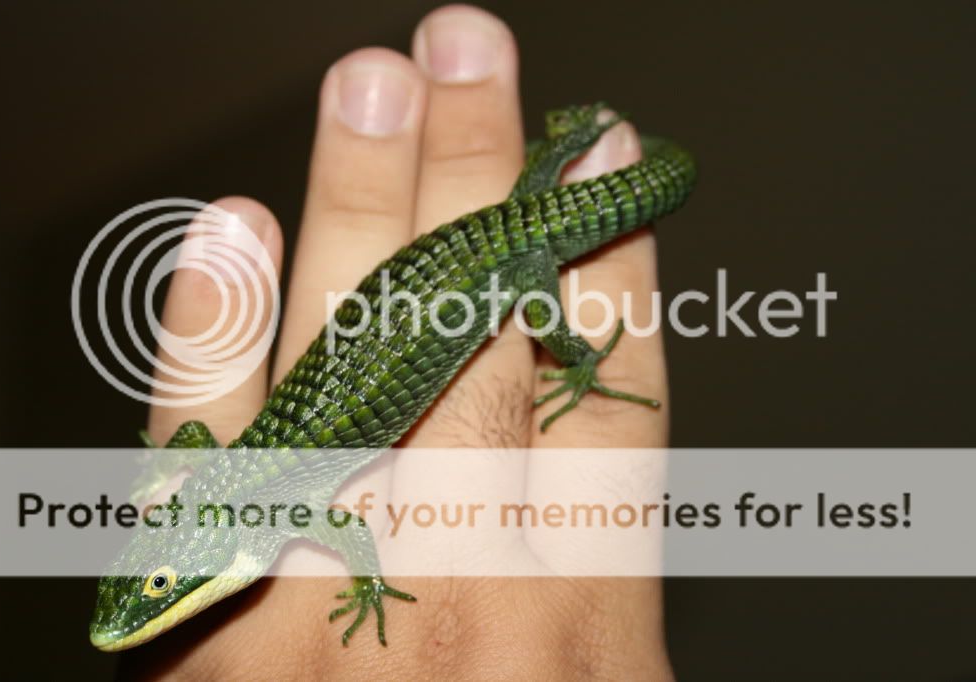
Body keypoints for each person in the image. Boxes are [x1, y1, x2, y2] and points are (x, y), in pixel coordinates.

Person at [122, 5, 672, 679]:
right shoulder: (219, 480)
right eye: (154, 585)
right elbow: (196, 441)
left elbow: (347, 529)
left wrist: (368, 583)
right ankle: (569, 143)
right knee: (521, 214)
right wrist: (160, 469)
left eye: (157, 587)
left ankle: (583, 353)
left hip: (505, 256)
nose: (157, 597)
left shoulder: (281, 510)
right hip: (459, 253)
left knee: (535, 277)